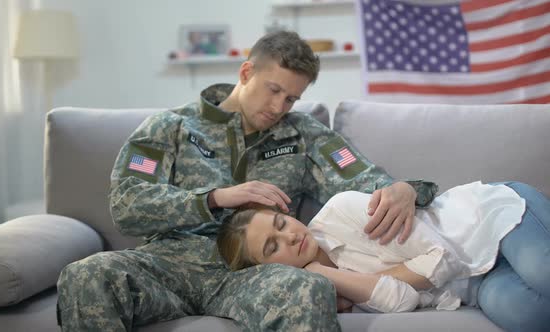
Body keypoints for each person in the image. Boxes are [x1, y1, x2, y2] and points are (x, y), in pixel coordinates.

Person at [55, 30, 439, 331]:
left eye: (291, 98)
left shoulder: (303, 134)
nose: (279, 108)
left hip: (254, 275)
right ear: (246, 72)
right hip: (169, 266)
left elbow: (365, 181)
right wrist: (216, 198)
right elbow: (127, 206)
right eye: (274, 90)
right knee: (86, 274)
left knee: (308, 286)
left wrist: (407, 189)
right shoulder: (170, 128)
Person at [217, 181, 550, 332]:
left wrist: (370, 281)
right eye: (273, 247)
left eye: (281, 223)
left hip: (491, 222)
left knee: (543, 273)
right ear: (265, 271)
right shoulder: (314, 290)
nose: (290, 235)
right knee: (528, 316)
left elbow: (442, 256)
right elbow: (403, 301)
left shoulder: (343, 210)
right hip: (477, 282)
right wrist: (325, 273)